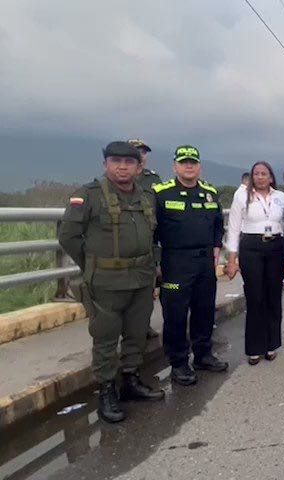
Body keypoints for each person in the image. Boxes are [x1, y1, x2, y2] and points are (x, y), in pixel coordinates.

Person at [58, 141, 165, 423]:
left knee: (136, 333)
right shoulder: (89, 195)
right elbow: (68, 236)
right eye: (115, 161)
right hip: (106, 281)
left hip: (141, 278)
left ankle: (130, 381)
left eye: (128, 162)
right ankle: (107, 391)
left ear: (137, 166)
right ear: (106, 164)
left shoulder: (145, 196)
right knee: (105, 338)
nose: (122, 167)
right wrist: (93, 264)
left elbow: (151, 234)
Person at [153, 145, 228, 386]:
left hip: (205, 261)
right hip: (175, 261)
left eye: (193, 162)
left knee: (204, 310)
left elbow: (218, 222)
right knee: (175, 314)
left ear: (199, 166)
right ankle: (179, 363)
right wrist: (156, 263)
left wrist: (217, 246)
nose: (188, 166)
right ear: (175, 166)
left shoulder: (209, 192)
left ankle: (203, 355)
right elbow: (151, 231)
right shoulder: (161, 193)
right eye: (184, 162)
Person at [225, 161, 284, 365]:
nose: (260, 177)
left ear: (271, 177)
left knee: (273, 296)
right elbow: (234, 228)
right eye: (257, 174)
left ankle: (271, 345)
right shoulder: (241, 195)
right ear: (252, 177)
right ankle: (254, 348)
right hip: (251, 247)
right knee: (255, 297)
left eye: (264, 173)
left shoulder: (280, 197)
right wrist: (232, 259)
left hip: (275, 247)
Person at [128, 138, 161, 339]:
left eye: (143, 152)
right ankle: (127, 330)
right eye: (136, 150)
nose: (140, 155)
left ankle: (143, 325)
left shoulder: (153, 180)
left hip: (148, 241)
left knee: (147, 288)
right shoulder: (117, 179)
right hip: (124, 241)